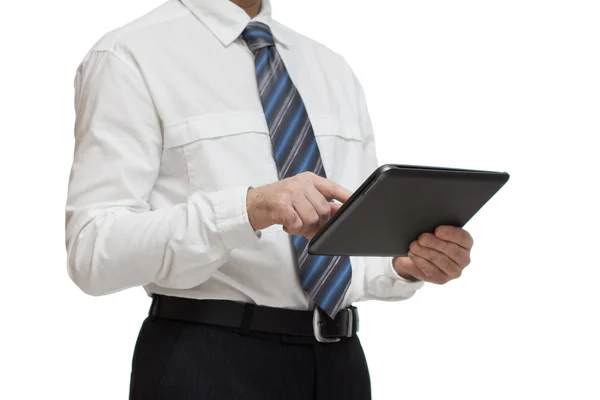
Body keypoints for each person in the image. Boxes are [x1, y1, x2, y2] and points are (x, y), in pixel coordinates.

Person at [65, 0, 474, 398]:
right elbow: (93, 251)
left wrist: (405, 264)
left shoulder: (330, 67)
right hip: (208, 362)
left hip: (340, 364)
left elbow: (351, 242)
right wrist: (248, 209)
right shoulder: (128, 55)